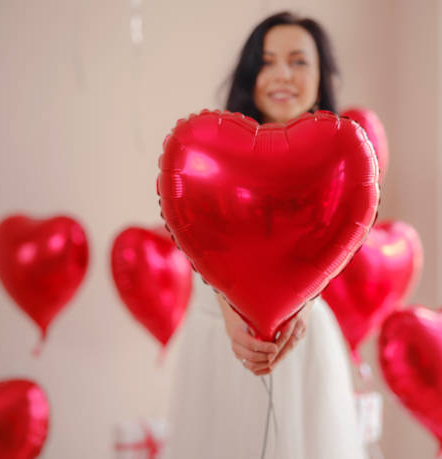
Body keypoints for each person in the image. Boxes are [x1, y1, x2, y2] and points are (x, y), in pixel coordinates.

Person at [163, 11, 366, 459]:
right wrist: (236, 314)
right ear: (250, 74)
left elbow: (334, 248)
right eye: (267, 61)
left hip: (303, 337)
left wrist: (300, 309)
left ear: (320, 76)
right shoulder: (211, 153)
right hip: (220, 335)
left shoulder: (340, 160)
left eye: (298, 61)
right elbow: (202, 243)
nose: (282, 75)